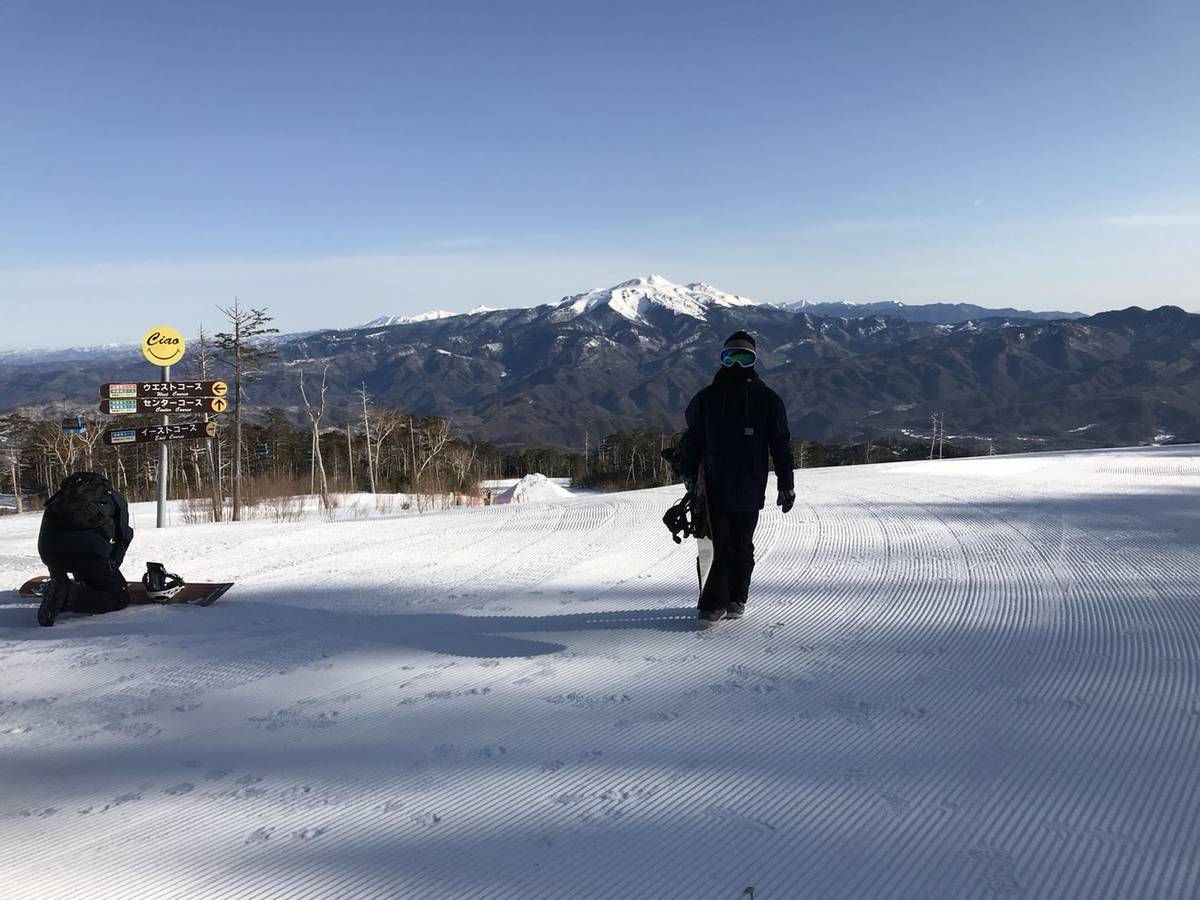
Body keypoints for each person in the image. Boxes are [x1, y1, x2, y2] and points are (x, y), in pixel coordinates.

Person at [680, 330, 795, 622]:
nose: (736, 365)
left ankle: (736, 598)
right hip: (714, 489)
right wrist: (689, 475)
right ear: (721, 360)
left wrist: (786, 484)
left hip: (750, 488)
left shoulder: (767, 401)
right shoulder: (706, 400)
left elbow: (780, 444)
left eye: (744, 358)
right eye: (731, 357)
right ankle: (713, 603)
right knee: (719, 545)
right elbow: (692, 440)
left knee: (741, 545)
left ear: (754, 362)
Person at [36, 471, 134, 626]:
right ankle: (66, 595)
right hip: (90, 556)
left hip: (51, 554)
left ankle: (60, 585)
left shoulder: (58, 499)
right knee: (119, 599)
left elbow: (45, 537)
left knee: (75, 560)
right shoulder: (113, 498)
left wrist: (56, 574)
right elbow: (123, 535)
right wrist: (111, 569)